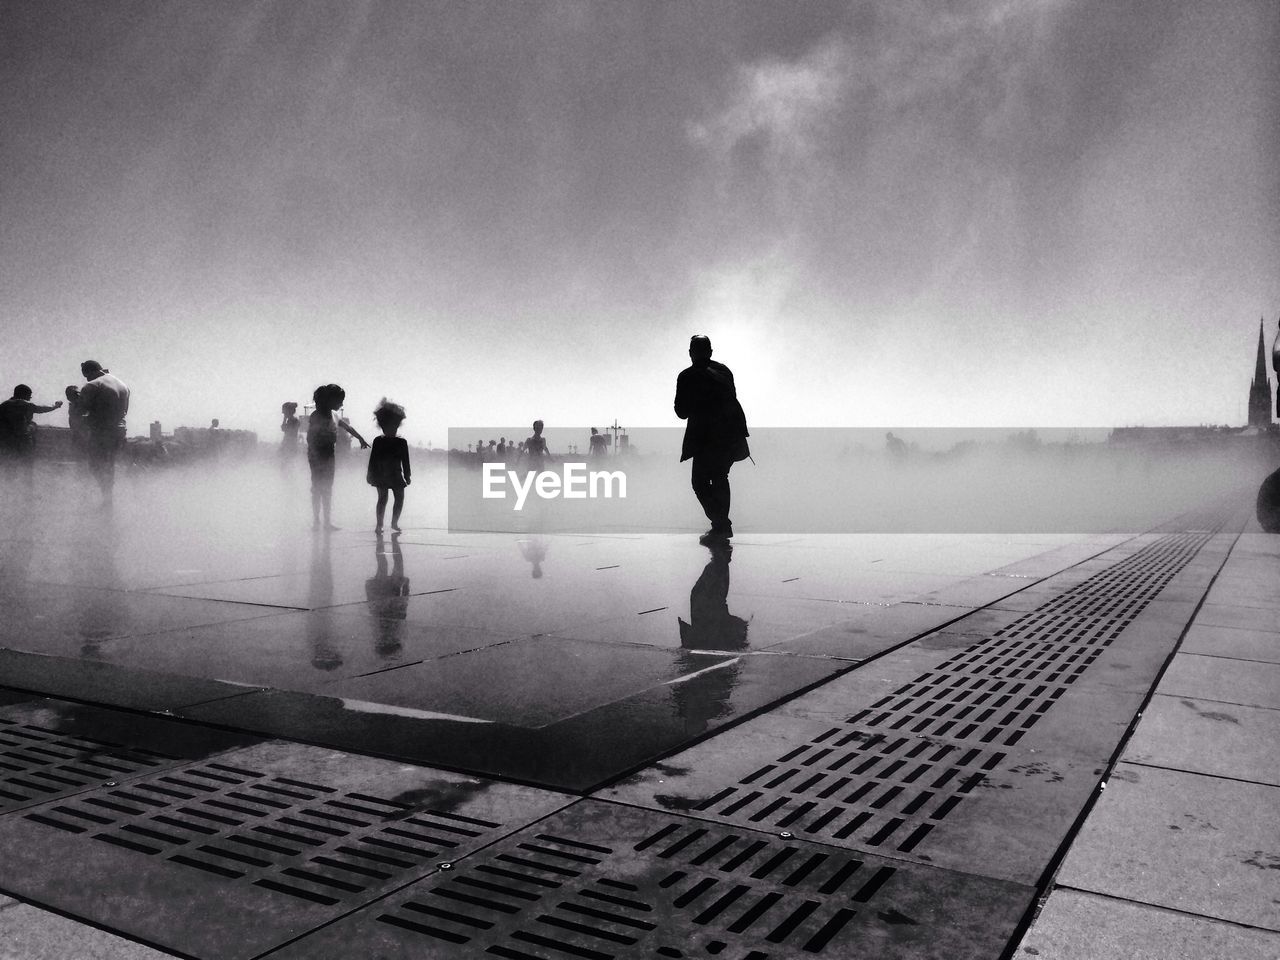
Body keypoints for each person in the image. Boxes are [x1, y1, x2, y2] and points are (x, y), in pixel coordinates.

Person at [674, 335, 750, 542]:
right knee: (720, 478)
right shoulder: (724, 371)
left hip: (705, 437)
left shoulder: (687, 376)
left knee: (699, 482)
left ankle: (721, 524)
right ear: (711, 352)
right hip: (730, 436)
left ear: (691, 353)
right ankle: (721, 525)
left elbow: (681, 411)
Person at [308, 383, 369, 530]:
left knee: (327, 488)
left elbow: (348, 427)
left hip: (329, 454)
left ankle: (327, 522)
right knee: (317, 488)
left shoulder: (335, 415)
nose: (342, 403)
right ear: (329, 400)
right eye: (340, 400)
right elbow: (310, 437)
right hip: (317, 454)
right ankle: (316, 521)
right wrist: (316, 456)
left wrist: (360, 438)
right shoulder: (316, 416)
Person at [77, 361, 130, 500]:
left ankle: (106, 496)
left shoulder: (92, 385)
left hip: (102, 431)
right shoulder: (123, 385)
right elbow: (125, 411)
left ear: (89, 372)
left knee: (95, 465)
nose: (86, 379)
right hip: (120, 431)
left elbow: (82, 409)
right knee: (110, 464)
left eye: (86, 376)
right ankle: (109, 498)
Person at [0, 385, 63, 482]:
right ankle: (27, 489)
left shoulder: (3, 405)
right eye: (29, 396)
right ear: (24, 395)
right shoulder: (24, 404)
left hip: (6, 441)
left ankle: (9, 489)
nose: (30, 398)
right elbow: (42, 409)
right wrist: (56, 406)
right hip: (22, 440)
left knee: (10, 468)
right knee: (27, 467)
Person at [366, 398, 411, 533]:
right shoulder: (378, 441)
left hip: (396, 474)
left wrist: (407, 475)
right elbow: (373, 460)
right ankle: (379, 524)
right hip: (381, 474)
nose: (391, 429)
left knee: (399, 497)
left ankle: (394, 523)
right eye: (388, 427)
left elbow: (405, 461)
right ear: (383, 427)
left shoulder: (401, 442)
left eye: (394, 427)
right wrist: (370, 474)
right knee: (383, 498)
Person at [280, 402, 300, 466]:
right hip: (289, 446)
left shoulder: (294, 421)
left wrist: (284, 419)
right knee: (287, 465)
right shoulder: (292, 420)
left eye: (285, 413)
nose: (284, 414)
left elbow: (284, 429)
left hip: (290, 446)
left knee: (287, 465)